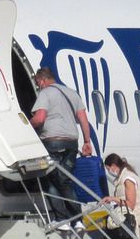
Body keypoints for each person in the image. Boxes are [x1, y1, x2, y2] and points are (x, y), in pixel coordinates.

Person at [29, 67, 93, 225]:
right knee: (65, 180)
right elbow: (83, 119)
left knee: (49, 180)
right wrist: (87, 141)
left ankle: (61, 219)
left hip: (53, 142)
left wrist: (26, 126)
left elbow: (40, 118)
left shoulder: (46, 93)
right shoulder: (72, 93)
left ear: (42, 80)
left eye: (38, 84)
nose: (38, 87)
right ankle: (77, 220)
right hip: (71, 143)